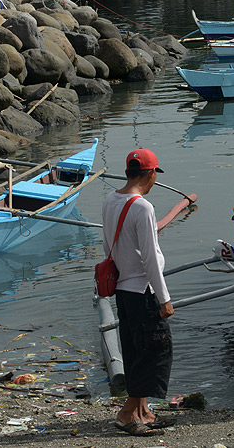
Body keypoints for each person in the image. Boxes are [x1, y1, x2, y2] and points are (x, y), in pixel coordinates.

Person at [101, 148, 175, 437]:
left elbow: (108, 246)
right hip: (143, 290)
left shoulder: (110, 200)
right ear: (151, 173)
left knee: (134, 350)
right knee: (156, 351)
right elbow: (150, 258)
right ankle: (127, 412)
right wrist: (164, 297)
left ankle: (144, 412)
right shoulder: (143, 207)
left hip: (122, 289)